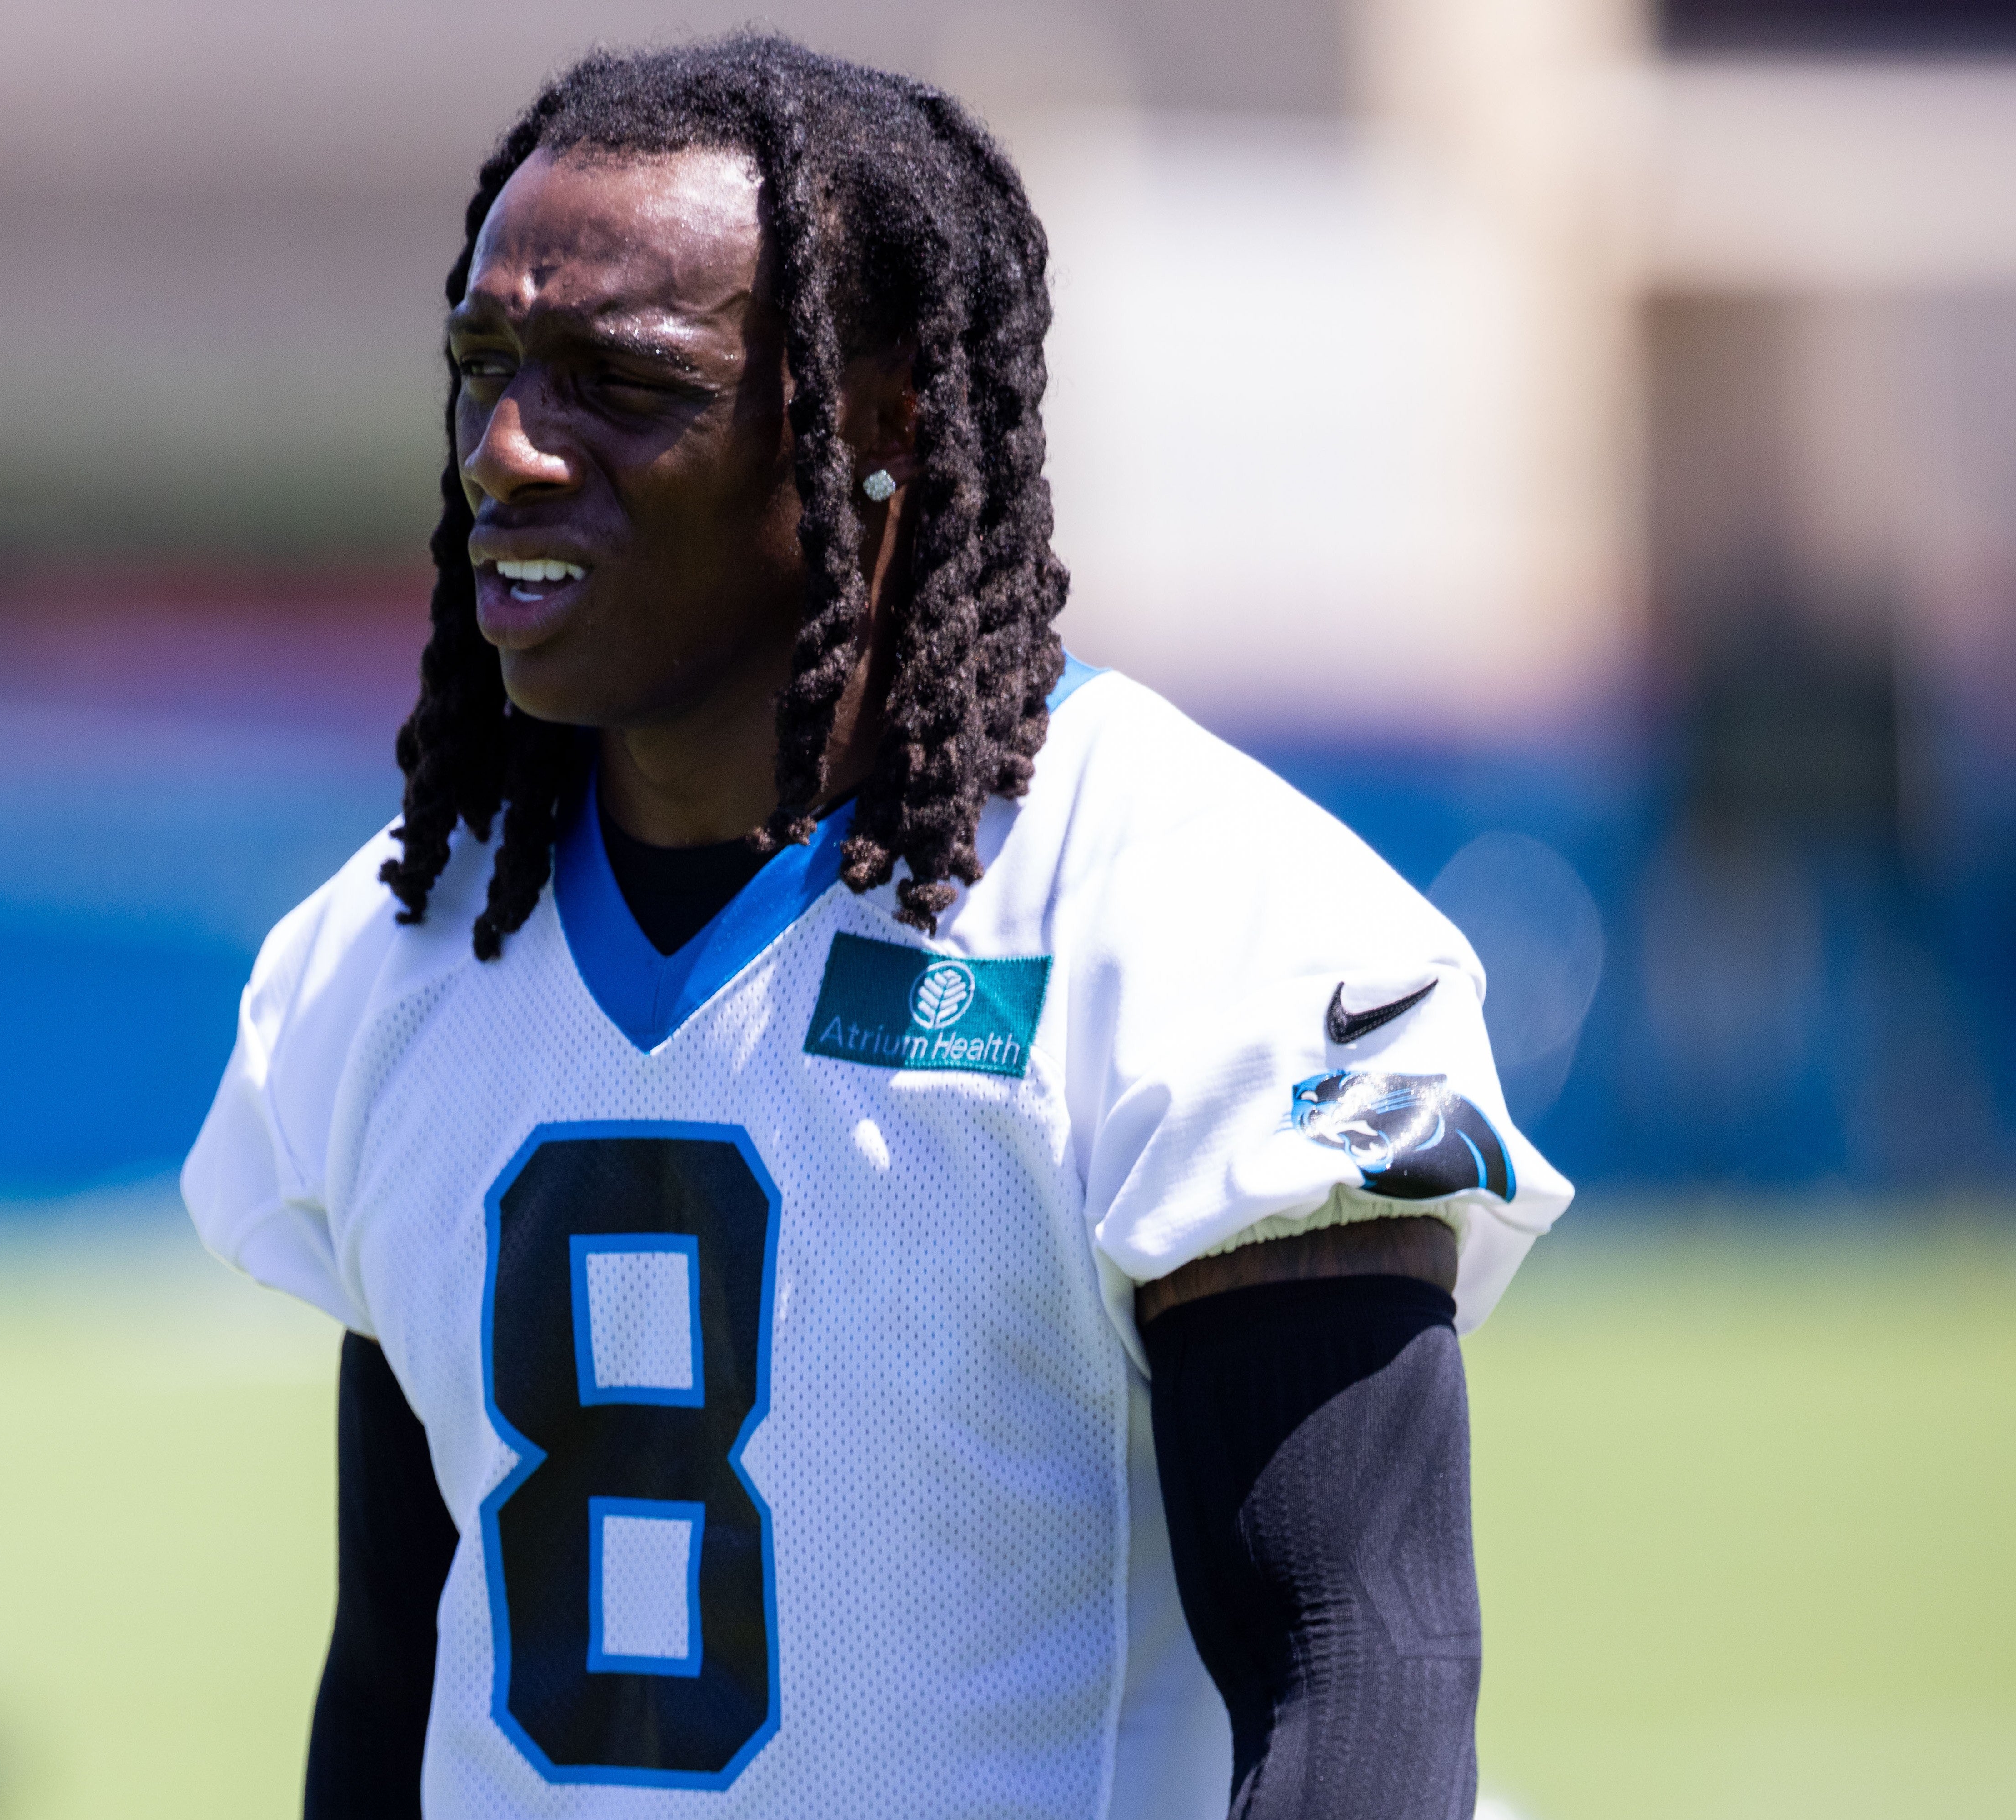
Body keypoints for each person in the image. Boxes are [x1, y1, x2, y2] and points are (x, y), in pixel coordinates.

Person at [184, 33, 1570, 1820]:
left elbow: (1361, 1679)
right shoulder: (388, 957)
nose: (510, 451)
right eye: (485, 366)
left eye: (621, 380)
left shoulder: (1196, 921)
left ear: (881, 419)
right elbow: (395, 1675)